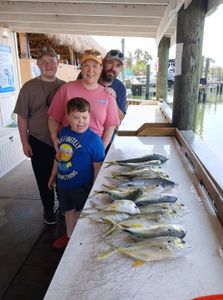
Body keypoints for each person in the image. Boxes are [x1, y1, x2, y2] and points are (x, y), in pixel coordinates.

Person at [14, 45, 65, 225]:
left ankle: (65, 207)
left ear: (58, 63)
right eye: (43, 62)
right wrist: (24, 142)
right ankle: (48, 209)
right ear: (38, 64)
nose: (48, 65)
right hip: (38, 141)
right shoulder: (28, 87)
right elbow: (22, 117)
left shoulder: (65, 87)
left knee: (63, 176)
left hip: (61, 142)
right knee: (43, 179)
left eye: (51, 61)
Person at [48, 97, 105, 248]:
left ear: (90, 116)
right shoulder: (63, 132)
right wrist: (53, 175)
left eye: (84, 117)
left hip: (82, 187)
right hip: (63, 184)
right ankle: (69, 235)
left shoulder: (95, 140)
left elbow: (98, 166)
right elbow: (58, 157)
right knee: (67, 210)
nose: (81, 122)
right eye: (76, 117)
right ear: (67, 117)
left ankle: (84, 239)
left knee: (83, 213)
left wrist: (96, 187)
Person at [48, 49, 120, 151]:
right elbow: (53, 118)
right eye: (86, 65)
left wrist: (100, 150)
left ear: (101, 68)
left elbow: (110, 126)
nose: (90, 70)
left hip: (94, 148)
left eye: (95, 66)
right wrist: (54, 138)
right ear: (81, 67)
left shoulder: (108, 95)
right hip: (68, 148)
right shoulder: (66, 89)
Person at [99, 49, 127, 122]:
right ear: (103, 62)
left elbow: (121, 118)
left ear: (121, 69)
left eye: (118, 66)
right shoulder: (91, 79)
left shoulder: (121, 88)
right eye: (110, 62)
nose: (113, 68)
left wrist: (112, 100)